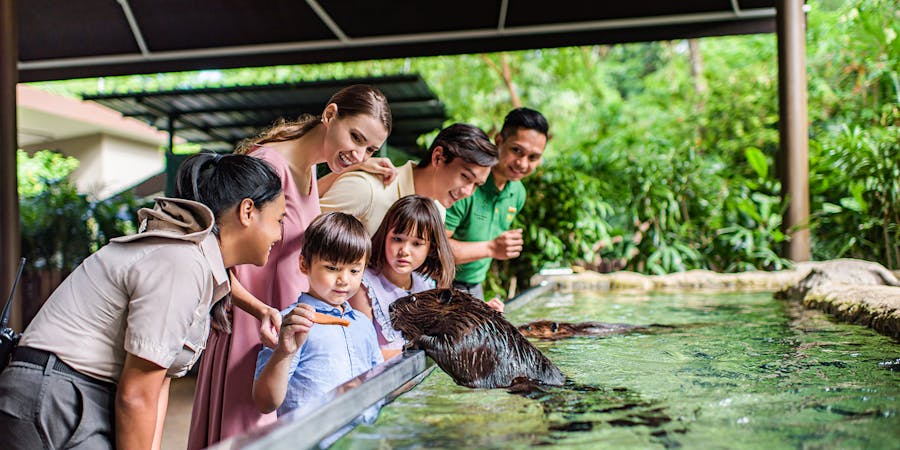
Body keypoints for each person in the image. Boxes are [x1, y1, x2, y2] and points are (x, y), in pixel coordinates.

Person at [0, 152, 286, 450]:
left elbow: (155, 383)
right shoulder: (181, 263)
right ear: (248, 211)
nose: (280, 233)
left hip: (72, 392)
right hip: (55, 395)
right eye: (279, 219)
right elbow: (136, 396)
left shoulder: (198, 264)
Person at [189, 84, 393, 448]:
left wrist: (355, 168)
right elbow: (214, 257)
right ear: (330, 115)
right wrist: (262, 311)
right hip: (254, 329)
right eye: (356, 137)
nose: (359, 152)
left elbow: (298, 208)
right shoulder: (267, 163)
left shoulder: (308, 171)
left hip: (287, 328)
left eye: (370, 148)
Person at [252, 212, 382, 418]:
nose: (344, 280)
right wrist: (283, 353)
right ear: (304, 265)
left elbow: (378, 384)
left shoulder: (363, 325)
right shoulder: (290, 324)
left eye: (355, 270)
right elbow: (265, 402)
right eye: (332, 268)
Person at [445, 108, 549, 311]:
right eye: (516, 150)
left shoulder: (518, 193)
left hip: (475, 286)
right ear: (499, 140)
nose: (522, 163)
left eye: (533, 157)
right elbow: (434, 250)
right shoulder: (468, 184)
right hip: (439, 284)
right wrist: (493, 247)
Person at [320, 123, 498, 235]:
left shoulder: (437, 212)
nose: (468, 192)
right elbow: (301, 239)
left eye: (476, 185)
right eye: (465, 177)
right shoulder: (366, 188)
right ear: (438, 157)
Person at [348, 195, 456, 360]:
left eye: (417, 243)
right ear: (385, 236)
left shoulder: (426, 285)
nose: (404, 250)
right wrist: (426, 350)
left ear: (431, 247)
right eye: (397, 239)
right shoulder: (364, 286)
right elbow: (364, 356)